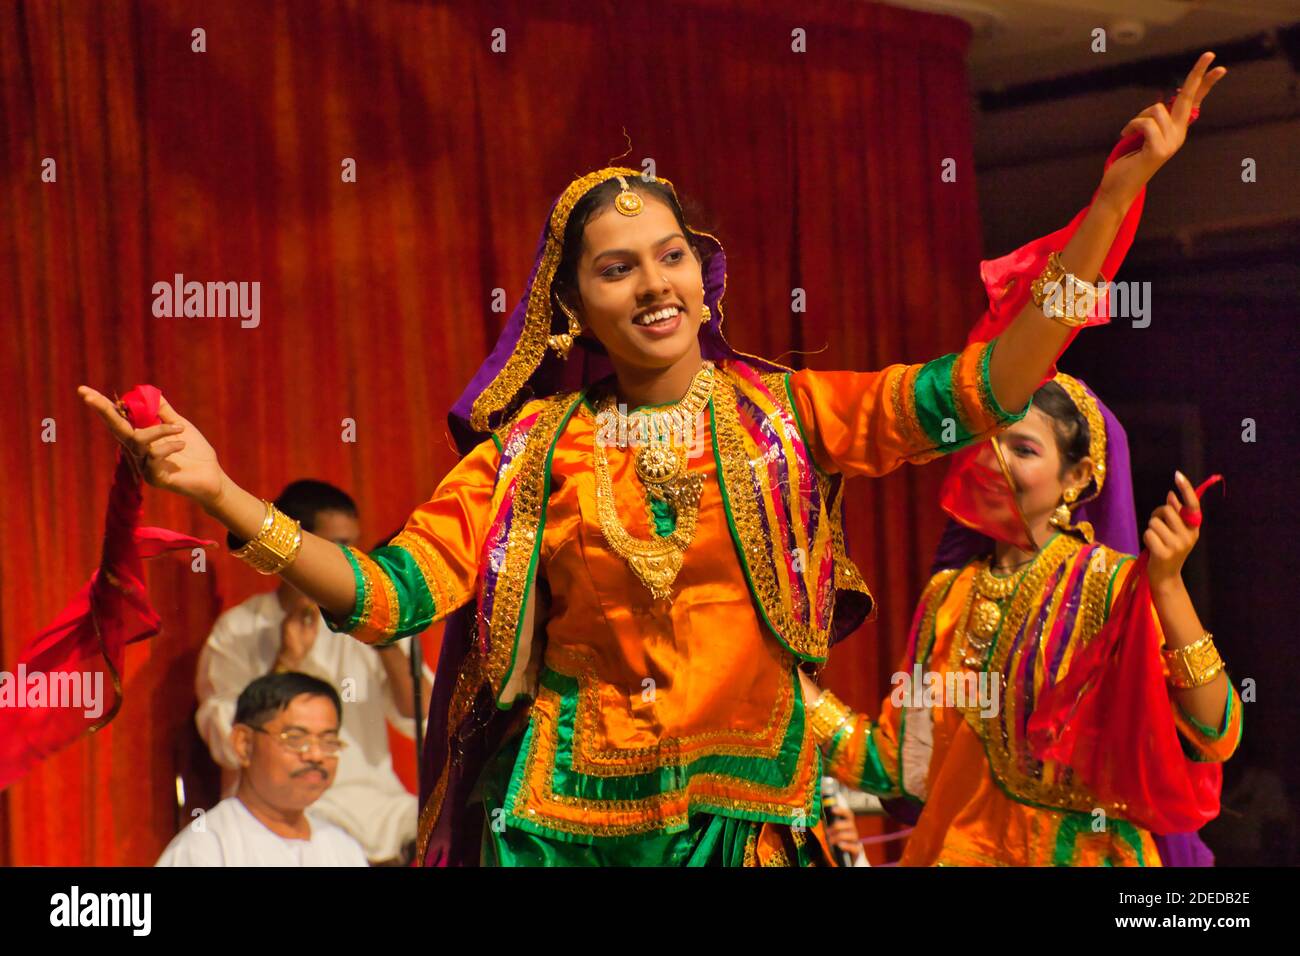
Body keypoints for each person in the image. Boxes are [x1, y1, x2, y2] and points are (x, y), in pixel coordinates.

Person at [81, 53, 1227, 866]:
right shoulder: (537, 449)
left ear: (702, 272)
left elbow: (982, 385)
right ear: (571, 306)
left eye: (669, 254)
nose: (653, 283)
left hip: (751, 817)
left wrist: (1115, 197)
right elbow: (388, 598)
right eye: (617, 268)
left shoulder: (787, 414)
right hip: (564, 829)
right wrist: (223, 492)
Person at [801, 373, 1242, 865]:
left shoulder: (1109, 585)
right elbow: (904, 766)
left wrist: (1167, 584)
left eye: (1024, 449)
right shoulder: (948, 595)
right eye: (987, 442)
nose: (996, 460)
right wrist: (793, 689)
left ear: (1077, 477)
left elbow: (1212, 732)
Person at [194, 479, 424, 864]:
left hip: (381, 808)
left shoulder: (367, 621)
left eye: (357, 546)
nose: (354, 561)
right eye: (340, 548)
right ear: (296, 544)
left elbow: (421, 715)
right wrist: (285, 663)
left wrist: (382, 635)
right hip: (292, 807)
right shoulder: (240, 629)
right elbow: (225, 739)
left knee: (456, 830)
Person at [157, 672, 369, 866]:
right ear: (244, 744)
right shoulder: (204, 850)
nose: (315, 755)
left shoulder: (344, 849)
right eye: (295, 738)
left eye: (328, 741)